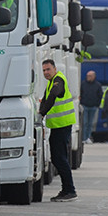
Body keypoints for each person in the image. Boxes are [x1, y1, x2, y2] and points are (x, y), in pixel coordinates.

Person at [39, 60, 77, 202]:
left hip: (63, 125)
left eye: (48, 69)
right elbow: (45, 99)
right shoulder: (51, 82)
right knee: (56, 157)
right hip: (57, 126)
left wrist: (42, 112)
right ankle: (66, 189)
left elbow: (54, 94)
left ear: (55, 68)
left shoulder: (58, 80)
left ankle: (70, 190)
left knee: (60, 158)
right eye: (43, 70)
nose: (46, 72)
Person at [79, 70, 102, 144]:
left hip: (93, 107)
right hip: (85, 106)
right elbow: (81, 93)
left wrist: (97, 104)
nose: (88, 77)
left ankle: (88, 137)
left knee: (90, 123)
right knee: (84, 123)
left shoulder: (98, 85)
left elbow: (100, 95)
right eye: (87, 76)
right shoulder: (83, 84)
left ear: (94, 76)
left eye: (90, 76)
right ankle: (84, 138)